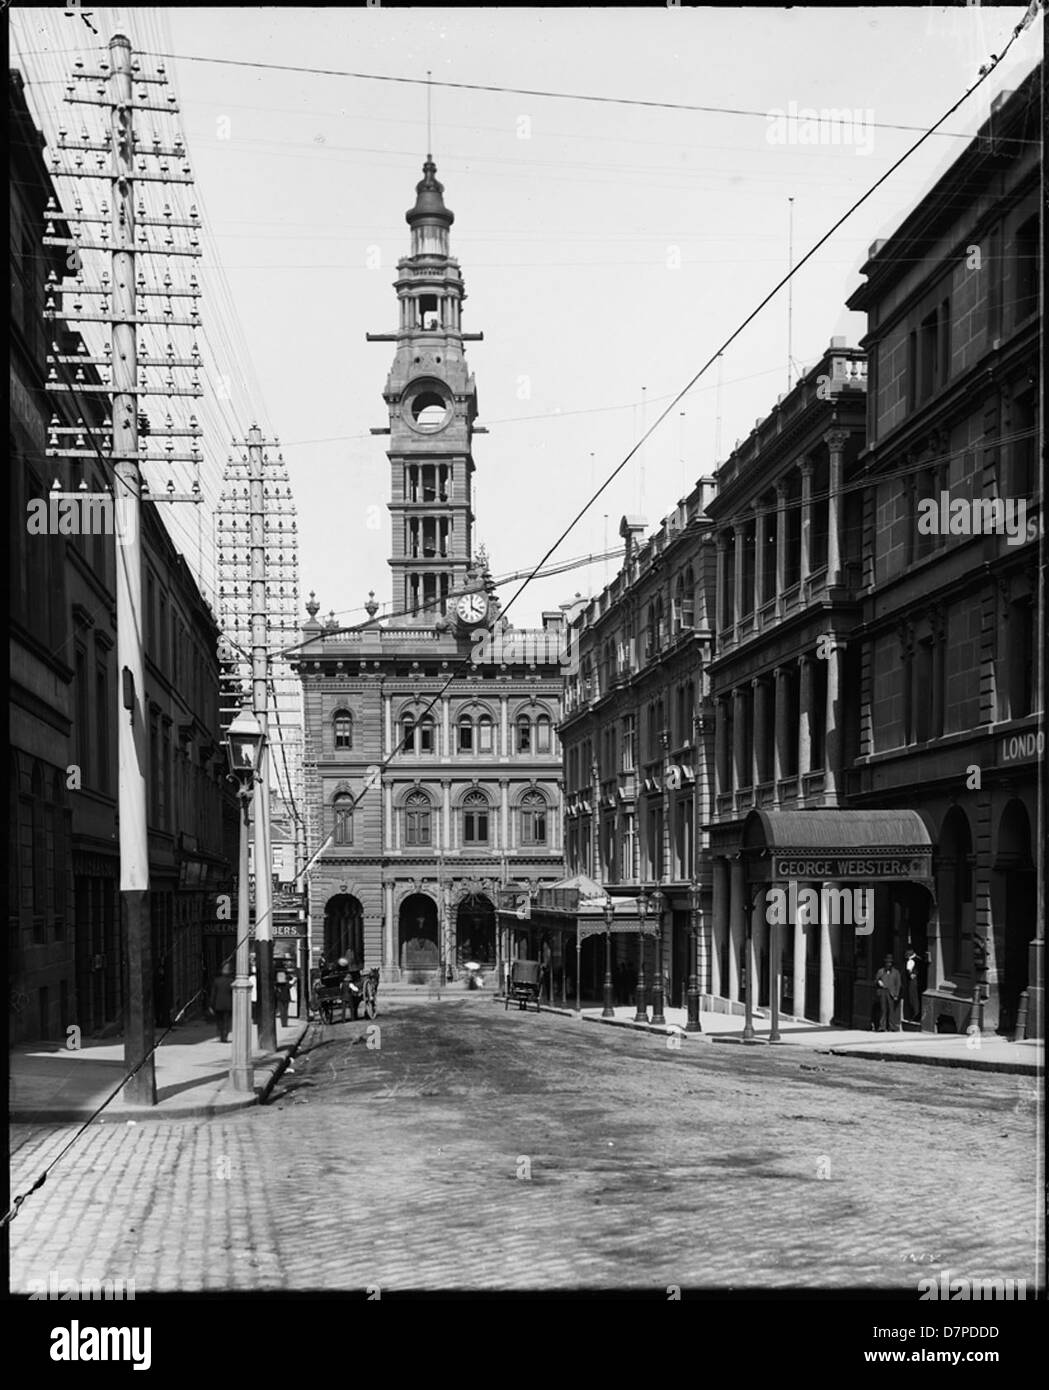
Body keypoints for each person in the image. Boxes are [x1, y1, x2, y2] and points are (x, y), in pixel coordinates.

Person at [875, 954, 902, 1032]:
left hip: (891, 992)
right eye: (887, 963)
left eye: (890, 963)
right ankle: (882, 1027)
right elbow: (876, 980)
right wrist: (878, 982)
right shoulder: (881, 971)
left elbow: (898, 984)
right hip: (883, 991)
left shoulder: (896, 972)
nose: (888, 964)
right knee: (883, 1010)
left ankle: (892, 1026)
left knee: (891, 1010)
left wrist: (896, 994)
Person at [209, 962, 234, 1043]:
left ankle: (221, 1035)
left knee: (220, 1021)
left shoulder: (217, 981)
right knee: (227, 1021)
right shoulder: (232, 981)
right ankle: (225, 1035)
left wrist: (211, 1005)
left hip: (218, 1004)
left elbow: (213, 994)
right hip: (229, 1004)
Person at [904, 949, 920, 1023]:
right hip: (917, 981)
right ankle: (916, 1014)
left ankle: (914, 1015)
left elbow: (909, 971)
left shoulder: (911, 961)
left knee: (912, 998)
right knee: (915, 997)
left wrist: (911, 974)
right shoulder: (918, 959)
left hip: (913, 982)